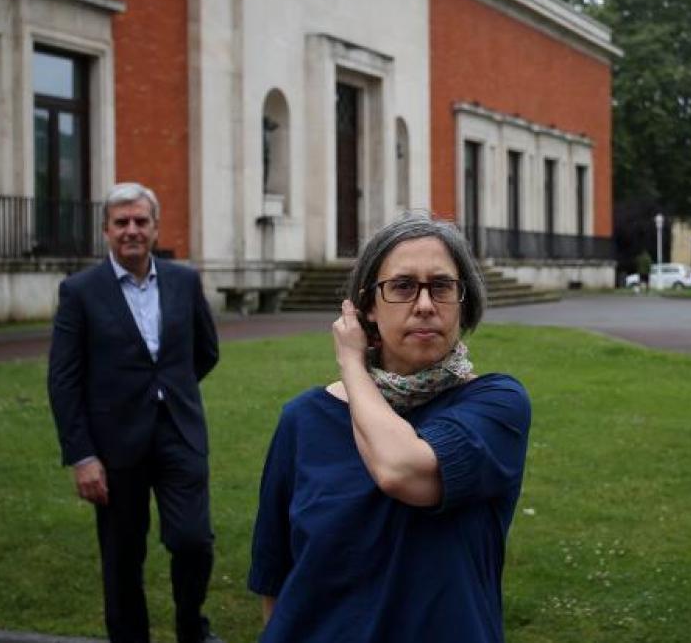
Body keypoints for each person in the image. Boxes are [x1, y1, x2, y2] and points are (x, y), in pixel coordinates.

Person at [248, 213, 531, 642]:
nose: (424, 304)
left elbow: (401, 470)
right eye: (401, 286)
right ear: (367, 309)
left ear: (463, 303)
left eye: (441, 286)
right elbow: (275, 576)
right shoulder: (304, 419)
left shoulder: (495, 405)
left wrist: (351, 364)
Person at [48, 182, 222, 643]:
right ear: (106, 231)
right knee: (123, 557)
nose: (131, 230)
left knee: (193, 541)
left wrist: (169, 391)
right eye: (121, 222)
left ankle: (191, 626)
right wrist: (82, 455)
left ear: (155, 227)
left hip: (178, 435)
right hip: (113, 445)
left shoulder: (184, 281)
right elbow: (64, 380)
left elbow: (205, 351)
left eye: (140, 221)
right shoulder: (80, 292)